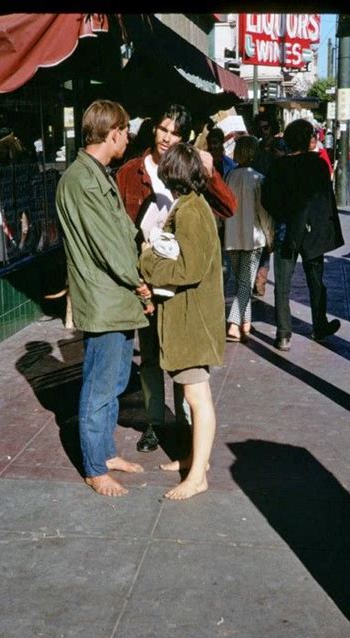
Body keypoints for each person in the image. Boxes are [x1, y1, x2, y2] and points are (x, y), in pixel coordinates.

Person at [116, 104, 236, 454]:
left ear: (184, 139)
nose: (167, 137)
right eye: (163, 129)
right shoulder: (130, 171)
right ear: (154, 129)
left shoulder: (190, 177)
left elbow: (228, 207)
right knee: (150, 356)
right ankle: (155, 422)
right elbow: (122, 227)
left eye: (175, 133)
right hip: (148, 277)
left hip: (178, 282)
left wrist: (208, 170)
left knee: (184, 358)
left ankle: (186, 427)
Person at [55, 99, 153, 497]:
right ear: (112, 132)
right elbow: (108, 245)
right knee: (99, 385)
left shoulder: (96, 174)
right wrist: (139, 280)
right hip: (106, 297)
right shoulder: (82, 180)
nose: (128, 138)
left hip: (116, 298)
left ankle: (105, 452)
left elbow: (119, 235)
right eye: (126, 131)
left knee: (113, 380)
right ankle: (95, 468)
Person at [139, 142, 225, 500]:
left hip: (193, 321)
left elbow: (189, 268)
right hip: (193, 317)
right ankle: (194, 459)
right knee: (194, 395)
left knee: (196, 396)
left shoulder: (190, 211)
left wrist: (148, 263)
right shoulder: (192, 206)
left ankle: (198, 476)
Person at [261, 118, 344, 351]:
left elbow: (267, 198)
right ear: (307, 139)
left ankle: (283, 334)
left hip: (287, 231)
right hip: (312, 232)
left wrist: (284, 216)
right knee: (316, 281)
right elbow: (325, 200)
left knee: (283, 284)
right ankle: (319, 325)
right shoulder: (317, 165)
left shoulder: (279, 166)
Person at [223, 135, 274, 342]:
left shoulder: (229, 177)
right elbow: (263, 213)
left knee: (242, 282)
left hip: (232, 237)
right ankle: (234, 324)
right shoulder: (257, 178)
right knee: (246, 284)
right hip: (253, 238)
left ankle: (246, 323)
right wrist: (270, 237)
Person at [250, 114, 287, 297]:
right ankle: (257, 278)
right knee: (260, 239)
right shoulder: (257, 146)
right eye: (261, 128)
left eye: (266, 127)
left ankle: (261, 280)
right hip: (257, 196)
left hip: (273, 198)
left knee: (269, 240)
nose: (264, 131)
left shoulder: (280, 146)